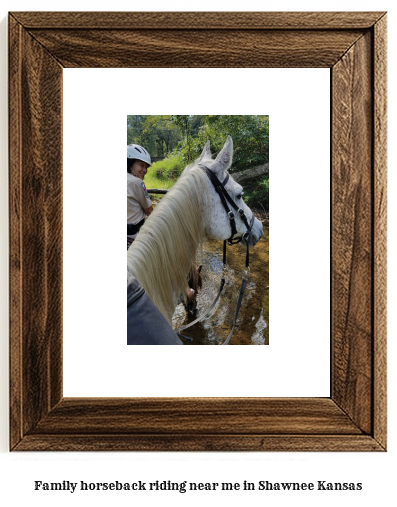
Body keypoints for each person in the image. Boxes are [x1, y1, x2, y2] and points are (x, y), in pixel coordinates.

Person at [127, 144, 154, 249]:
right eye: (141, 165)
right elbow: (150, 212)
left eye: (146, 167)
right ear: (130, 164)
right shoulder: (137, 182)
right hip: (134, 235)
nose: (144, 170)